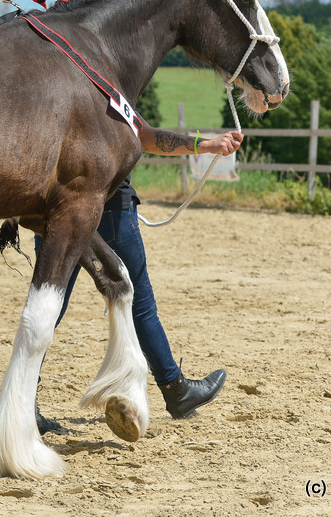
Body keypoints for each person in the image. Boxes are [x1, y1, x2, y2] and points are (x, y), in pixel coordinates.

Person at [36, 119, 243, 434]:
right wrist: (207, 144)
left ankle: (23, 397)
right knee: (141, 304)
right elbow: (144, 135)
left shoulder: (50, 78)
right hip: (108, 210)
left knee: (49, 302)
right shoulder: (103, 81)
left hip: (51, 205)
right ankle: (176, 389)